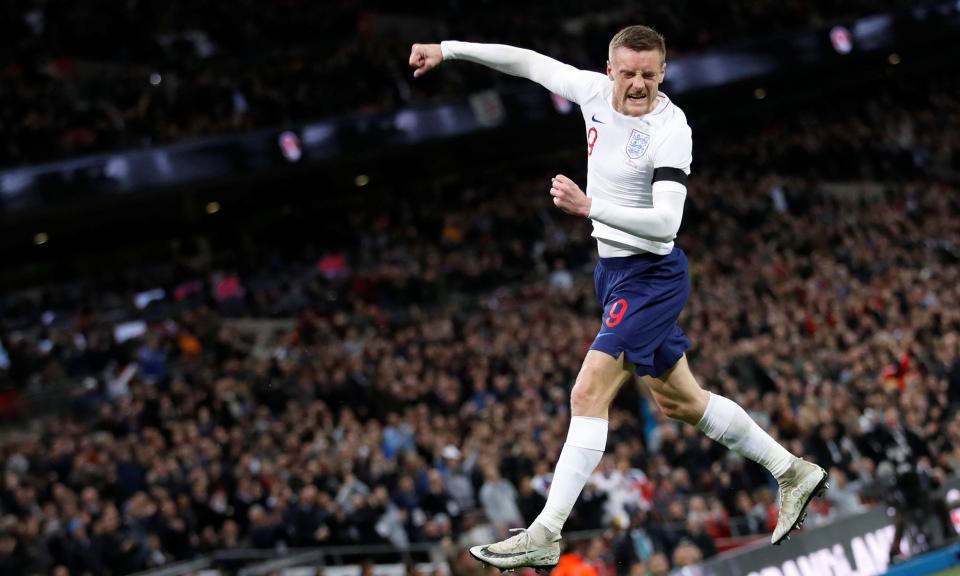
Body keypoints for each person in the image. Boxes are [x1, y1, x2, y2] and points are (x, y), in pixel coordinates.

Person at [408, 26, 827, 571]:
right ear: (610, 70)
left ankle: (546, 531)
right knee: (680, 402)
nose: (637, 84)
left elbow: (665, 225)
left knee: (587, 394)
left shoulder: (672, 129)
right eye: (627, 73)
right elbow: (529, 61)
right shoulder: (590, 92)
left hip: (651, 276)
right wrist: (450, 50)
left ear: (663, 73)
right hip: (613, 273)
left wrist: (590, 209)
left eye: (648, 75)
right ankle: (792, 470)